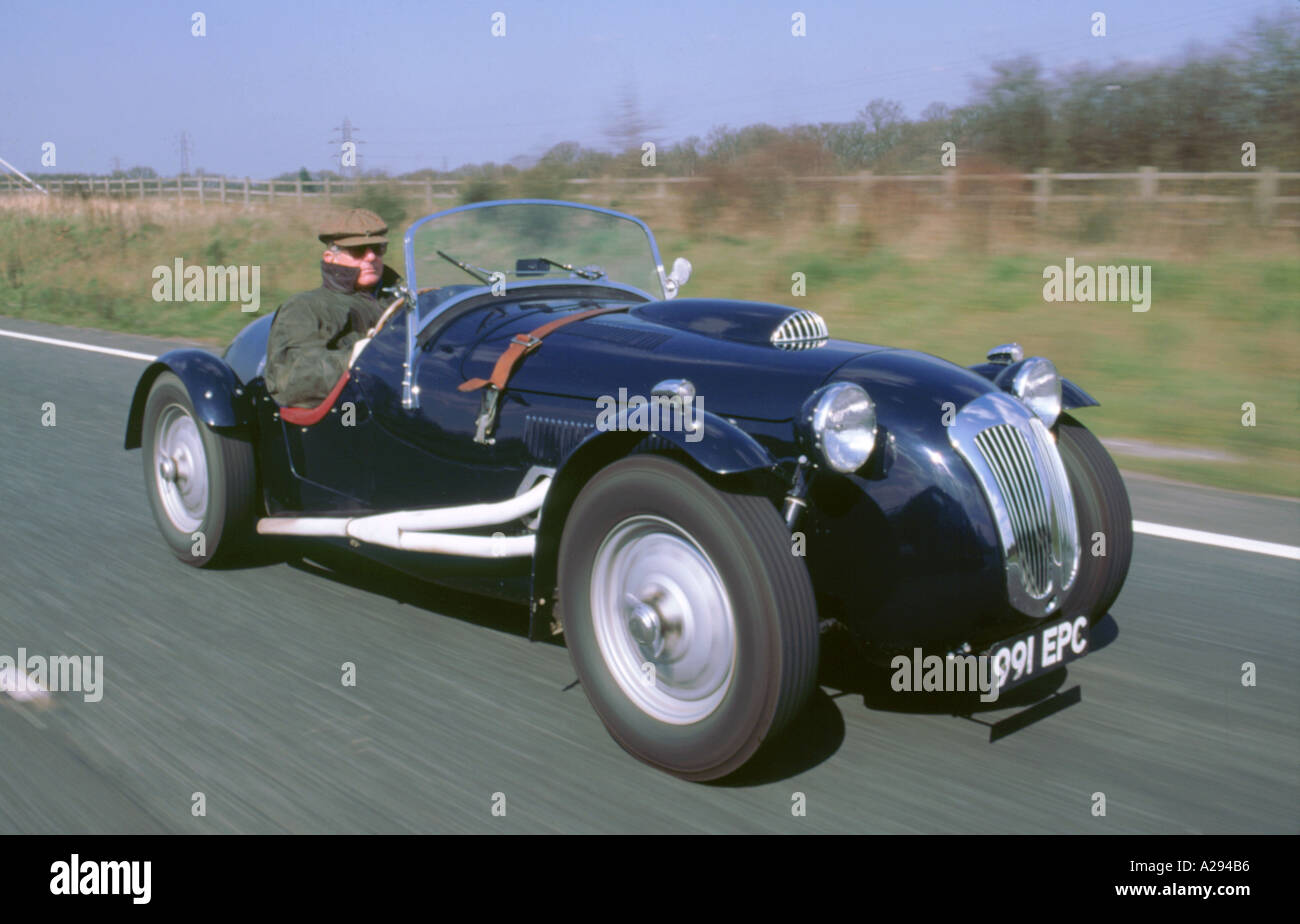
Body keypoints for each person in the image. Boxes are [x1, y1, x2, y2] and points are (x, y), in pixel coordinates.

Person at [265, 208, 403, 408]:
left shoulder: (401, 299)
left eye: (377, 248)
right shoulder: (306, 307)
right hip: (350, 414)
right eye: (358, 251)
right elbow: (289, 379)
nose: (371, 257)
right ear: (330, 257)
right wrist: (355, 356)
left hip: (405, 400)